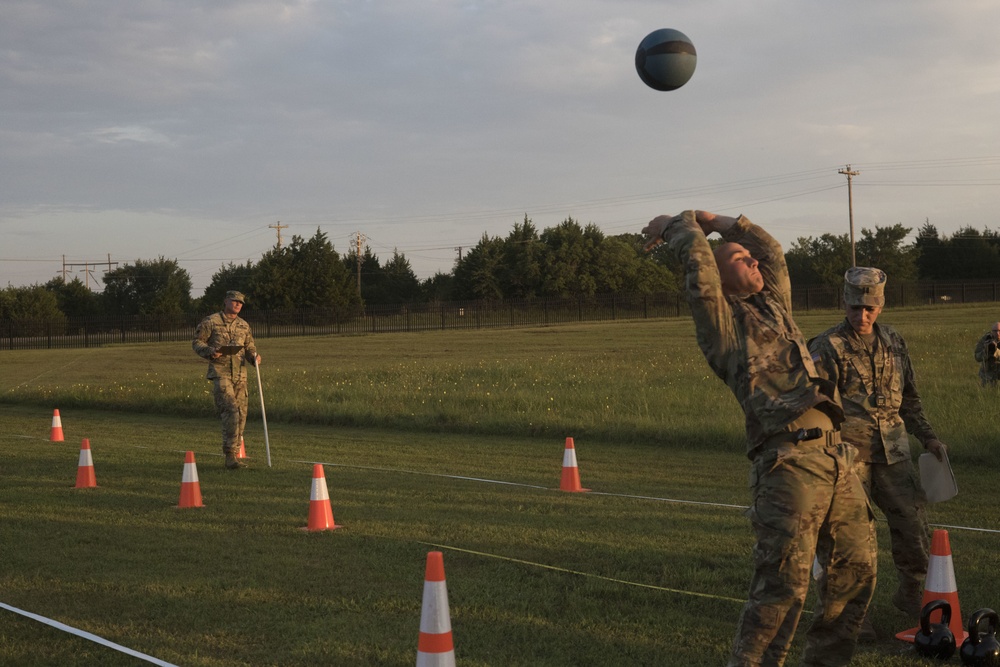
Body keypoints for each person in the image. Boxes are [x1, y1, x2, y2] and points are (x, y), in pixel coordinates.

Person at [642, 210, 875, 667]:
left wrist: (718, 220)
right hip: (788, 462)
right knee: (783, 589)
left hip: (835, 456)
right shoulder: (722, 325)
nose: (753, 262)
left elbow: (771, 251)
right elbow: (698, 261)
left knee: (856, 572)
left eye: (750, 258)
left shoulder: (773, 307)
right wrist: (679, 223)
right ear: (720, 276)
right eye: (739, 259)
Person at [808, 268, 947, 640]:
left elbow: (910, 400)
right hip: (848, 458)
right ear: (844, 303)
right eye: (855, 307)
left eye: (869, 307)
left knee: (913, 527)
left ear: (881, 305)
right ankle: (855, 614)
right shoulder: (826, 346)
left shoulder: (894, 343)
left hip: (894, 453)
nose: (862, 314)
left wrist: (929, 438)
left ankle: (910, 594)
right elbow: (813, 407)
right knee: (853, 538)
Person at [192, 290, 261, 469]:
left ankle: (236, 453)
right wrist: (210, 352)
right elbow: (197, 342)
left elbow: (249, 347)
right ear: (226, 301)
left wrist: (254, 357)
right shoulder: (211, 321)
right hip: (220, 372)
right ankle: (230, 455)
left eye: (241, 303)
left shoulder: (244, 325)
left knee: (242, 414)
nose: (238, 304)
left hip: (240, 375)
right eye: (234, 301)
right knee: (230, 410)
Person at [974, 321, 1000, 386]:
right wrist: (986, 352)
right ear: (992, 331)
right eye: (995, 331)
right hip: (988, 371)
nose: (997, 333)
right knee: (987, 391)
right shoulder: (985, 339)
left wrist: (996, 352)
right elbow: (977, 357)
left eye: (999, 331)